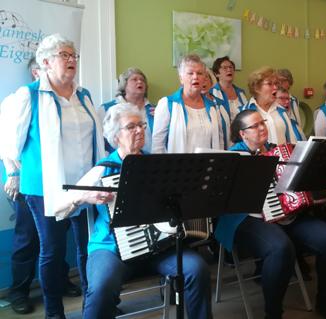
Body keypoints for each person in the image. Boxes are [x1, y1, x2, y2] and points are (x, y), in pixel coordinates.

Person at [55, 103, 213, 319]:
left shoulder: (156, 165)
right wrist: (84, 196)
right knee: (102, 286)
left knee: (197, 269)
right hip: (111, 249)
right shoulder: (104, 169)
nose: (139, 130)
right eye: (131, 127)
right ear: (115, 136)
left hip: (159, 247)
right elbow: (59, 208)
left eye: (141, 125)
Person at [1, 33, 105, 319]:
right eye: (64, 55)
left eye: (73, 55)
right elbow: (9, 142)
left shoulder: (84, 95)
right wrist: (12, 173)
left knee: (87, 249)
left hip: (84, 185)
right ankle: (54, 313)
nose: (71, 60)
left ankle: (92, 307)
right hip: (44, 188)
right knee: (52, 251)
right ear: (45, 62)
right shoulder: (29, 95)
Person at [215, 109, 326, 319]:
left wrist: (313, 194)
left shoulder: (279, 151)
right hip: (247, 219)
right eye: (254, 126)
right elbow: (225, 198)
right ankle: (273, 313)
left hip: (288, 217)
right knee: (280, 248)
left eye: (262, 122)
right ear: (242, 134)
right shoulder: (234, 157)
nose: (262, 127)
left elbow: (298, 185)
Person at [0, 57, 82, 315]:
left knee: (56, 239)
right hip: (29, 183)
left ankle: (58, 281)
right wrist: (13, 174)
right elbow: (7, 141)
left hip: (60, 182)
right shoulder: (20, 98)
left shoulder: (71, 98)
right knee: (28, 238)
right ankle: (19, 292)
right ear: (39, 70)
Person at [152, 54, 222, 153]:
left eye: (200, 73)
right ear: (181, 78)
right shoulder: (167, 104)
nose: (195, 77)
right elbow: (157, 146)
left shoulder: (212, 107)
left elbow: (219, 142)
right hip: (177, 167)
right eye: (190, 73)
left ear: (204, 78)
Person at [241, 67, 303, 145]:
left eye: (276, 83)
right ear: (257, 88)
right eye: (270, 84)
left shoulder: (282, 111)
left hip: (282, 157)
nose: (275, 87)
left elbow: (292, 142)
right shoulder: (244, 112)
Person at [98, 68, 154, 153]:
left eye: (142, 80)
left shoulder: (155, 110)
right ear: (124, 85)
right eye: (134, 79)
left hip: (152, 161)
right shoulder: (106, 109)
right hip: (119, 161)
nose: (139, 82)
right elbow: (100, 140)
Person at [210, 56, 247, 147]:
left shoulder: (241, 93)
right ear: (216, 74)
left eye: (231, 67)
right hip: (223, 142)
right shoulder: (211, 93)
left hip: (242, 142)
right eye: (225, 68)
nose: (229, 70)